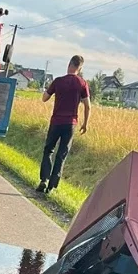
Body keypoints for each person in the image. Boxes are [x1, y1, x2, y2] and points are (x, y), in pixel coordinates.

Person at [38, 55, 90, 193]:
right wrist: (85, 123)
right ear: (80, 67)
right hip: (71, 123)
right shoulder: (82, 84)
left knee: (48, 150)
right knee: (61, 155)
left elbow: (44, 98)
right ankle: (52, 187)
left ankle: (44, 180)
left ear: (69, 64)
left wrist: (47, 90)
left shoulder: (58, 81)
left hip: (56, 121)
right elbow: (87, 105)